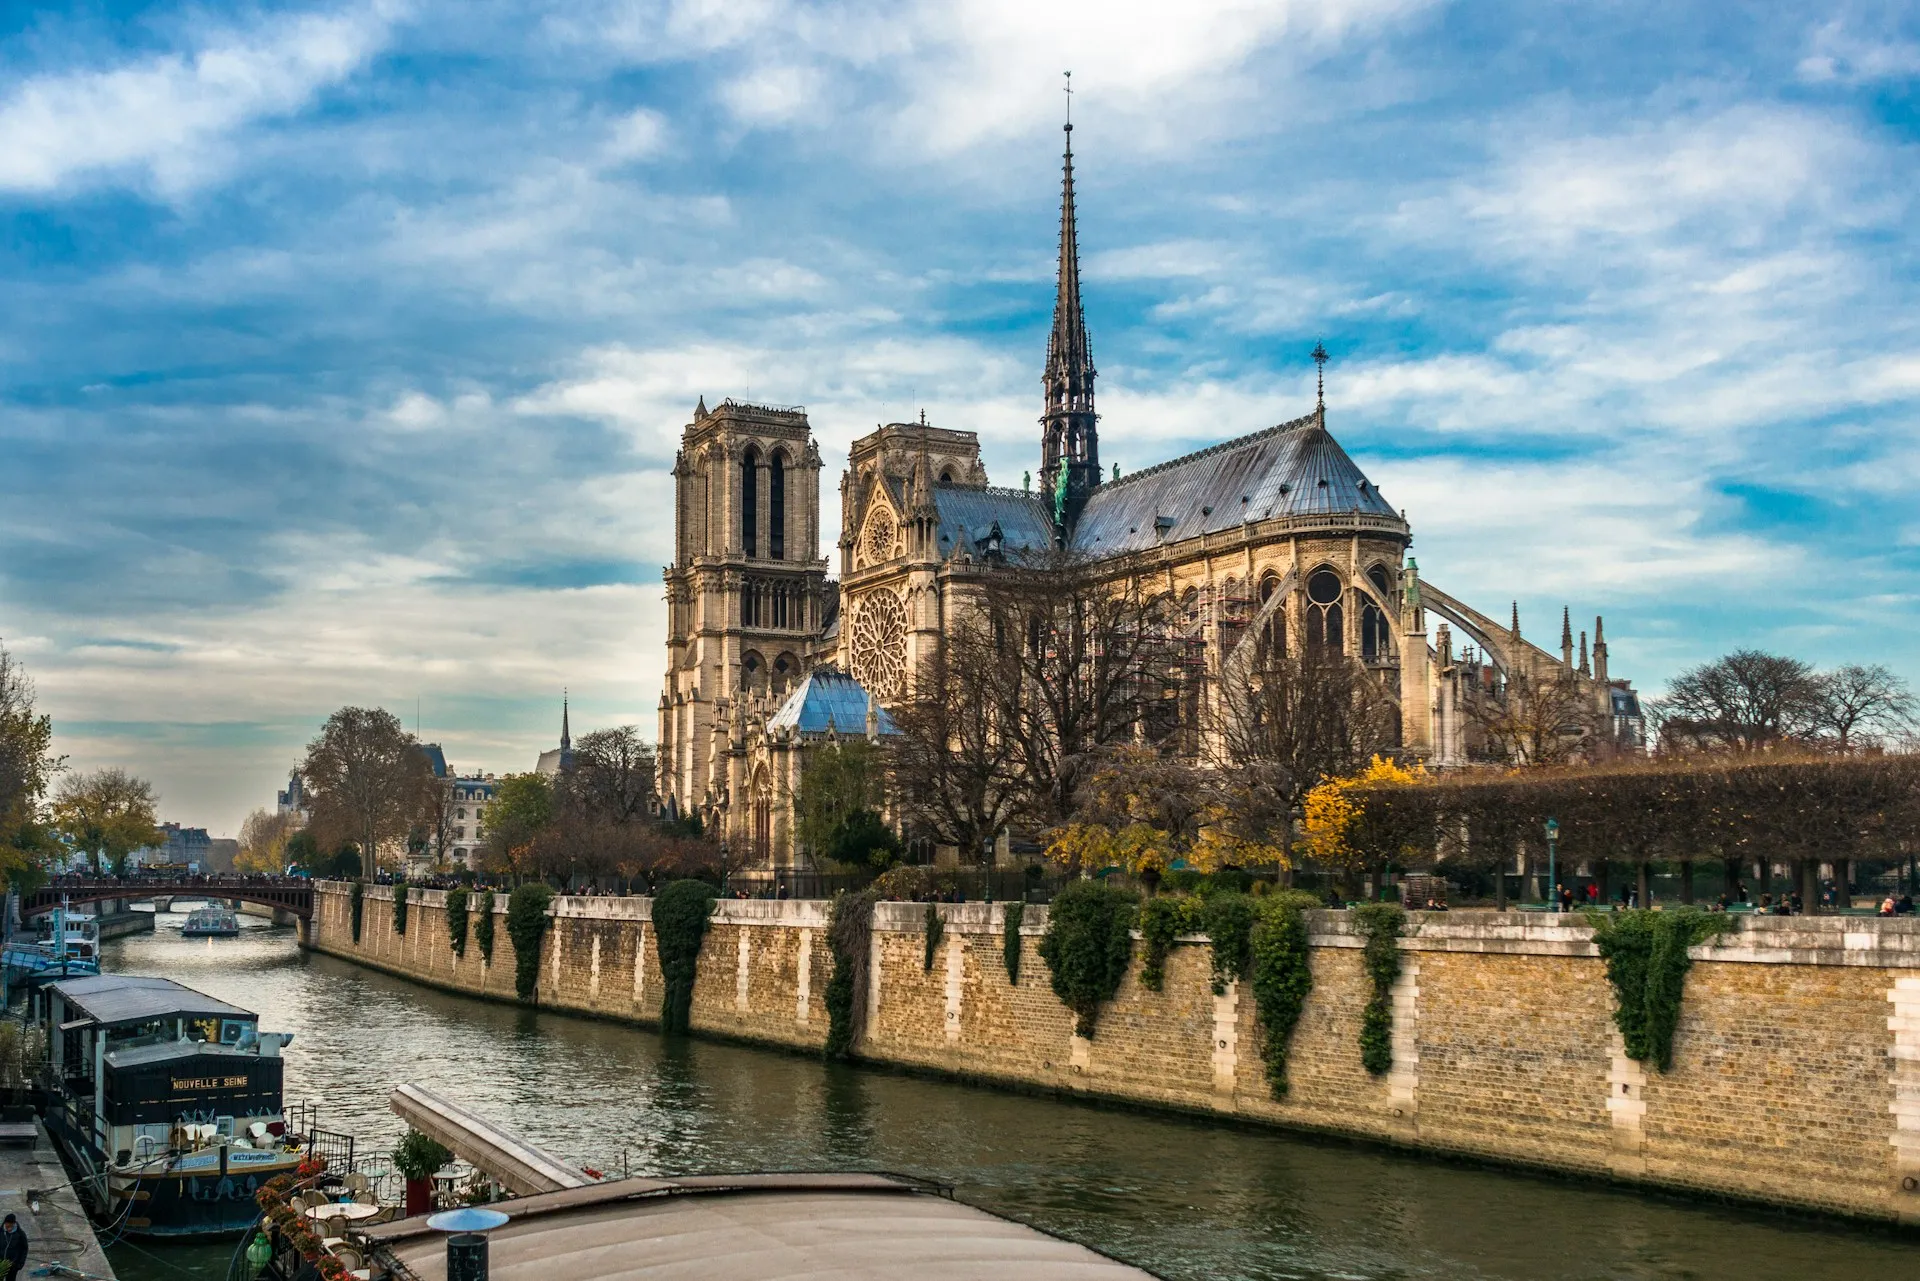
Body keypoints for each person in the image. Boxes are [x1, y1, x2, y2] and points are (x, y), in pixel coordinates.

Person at [1, 1211, 27, 1281]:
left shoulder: (20, 1234)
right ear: (5, 1223)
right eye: (7, 1226)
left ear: (13, 1224)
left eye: (10, 1226)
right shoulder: (1, 1231)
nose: (8, 1228)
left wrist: (19, 1265)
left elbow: (24, 1249)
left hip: (12, 1266)